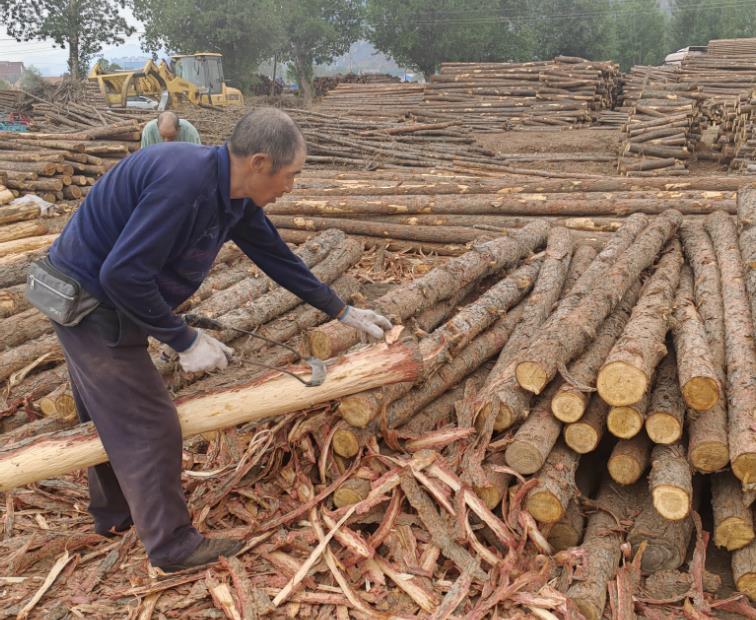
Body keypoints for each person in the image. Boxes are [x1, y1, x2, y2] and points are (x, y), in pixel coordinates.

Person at [37, 108, 392, 572]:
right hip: (87, 302)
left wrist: (340, 309)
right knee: (149, 423)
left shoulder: (233, 193)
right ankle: (172, 547)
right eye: (291, 175)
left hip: (101, 295)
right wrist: (183, 340)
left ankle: (115, 516)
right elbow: (121, 274)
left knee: (107, 414)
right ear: (260, 162)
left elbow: (276, 256)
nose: (291, 187)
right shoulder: (183, 184)